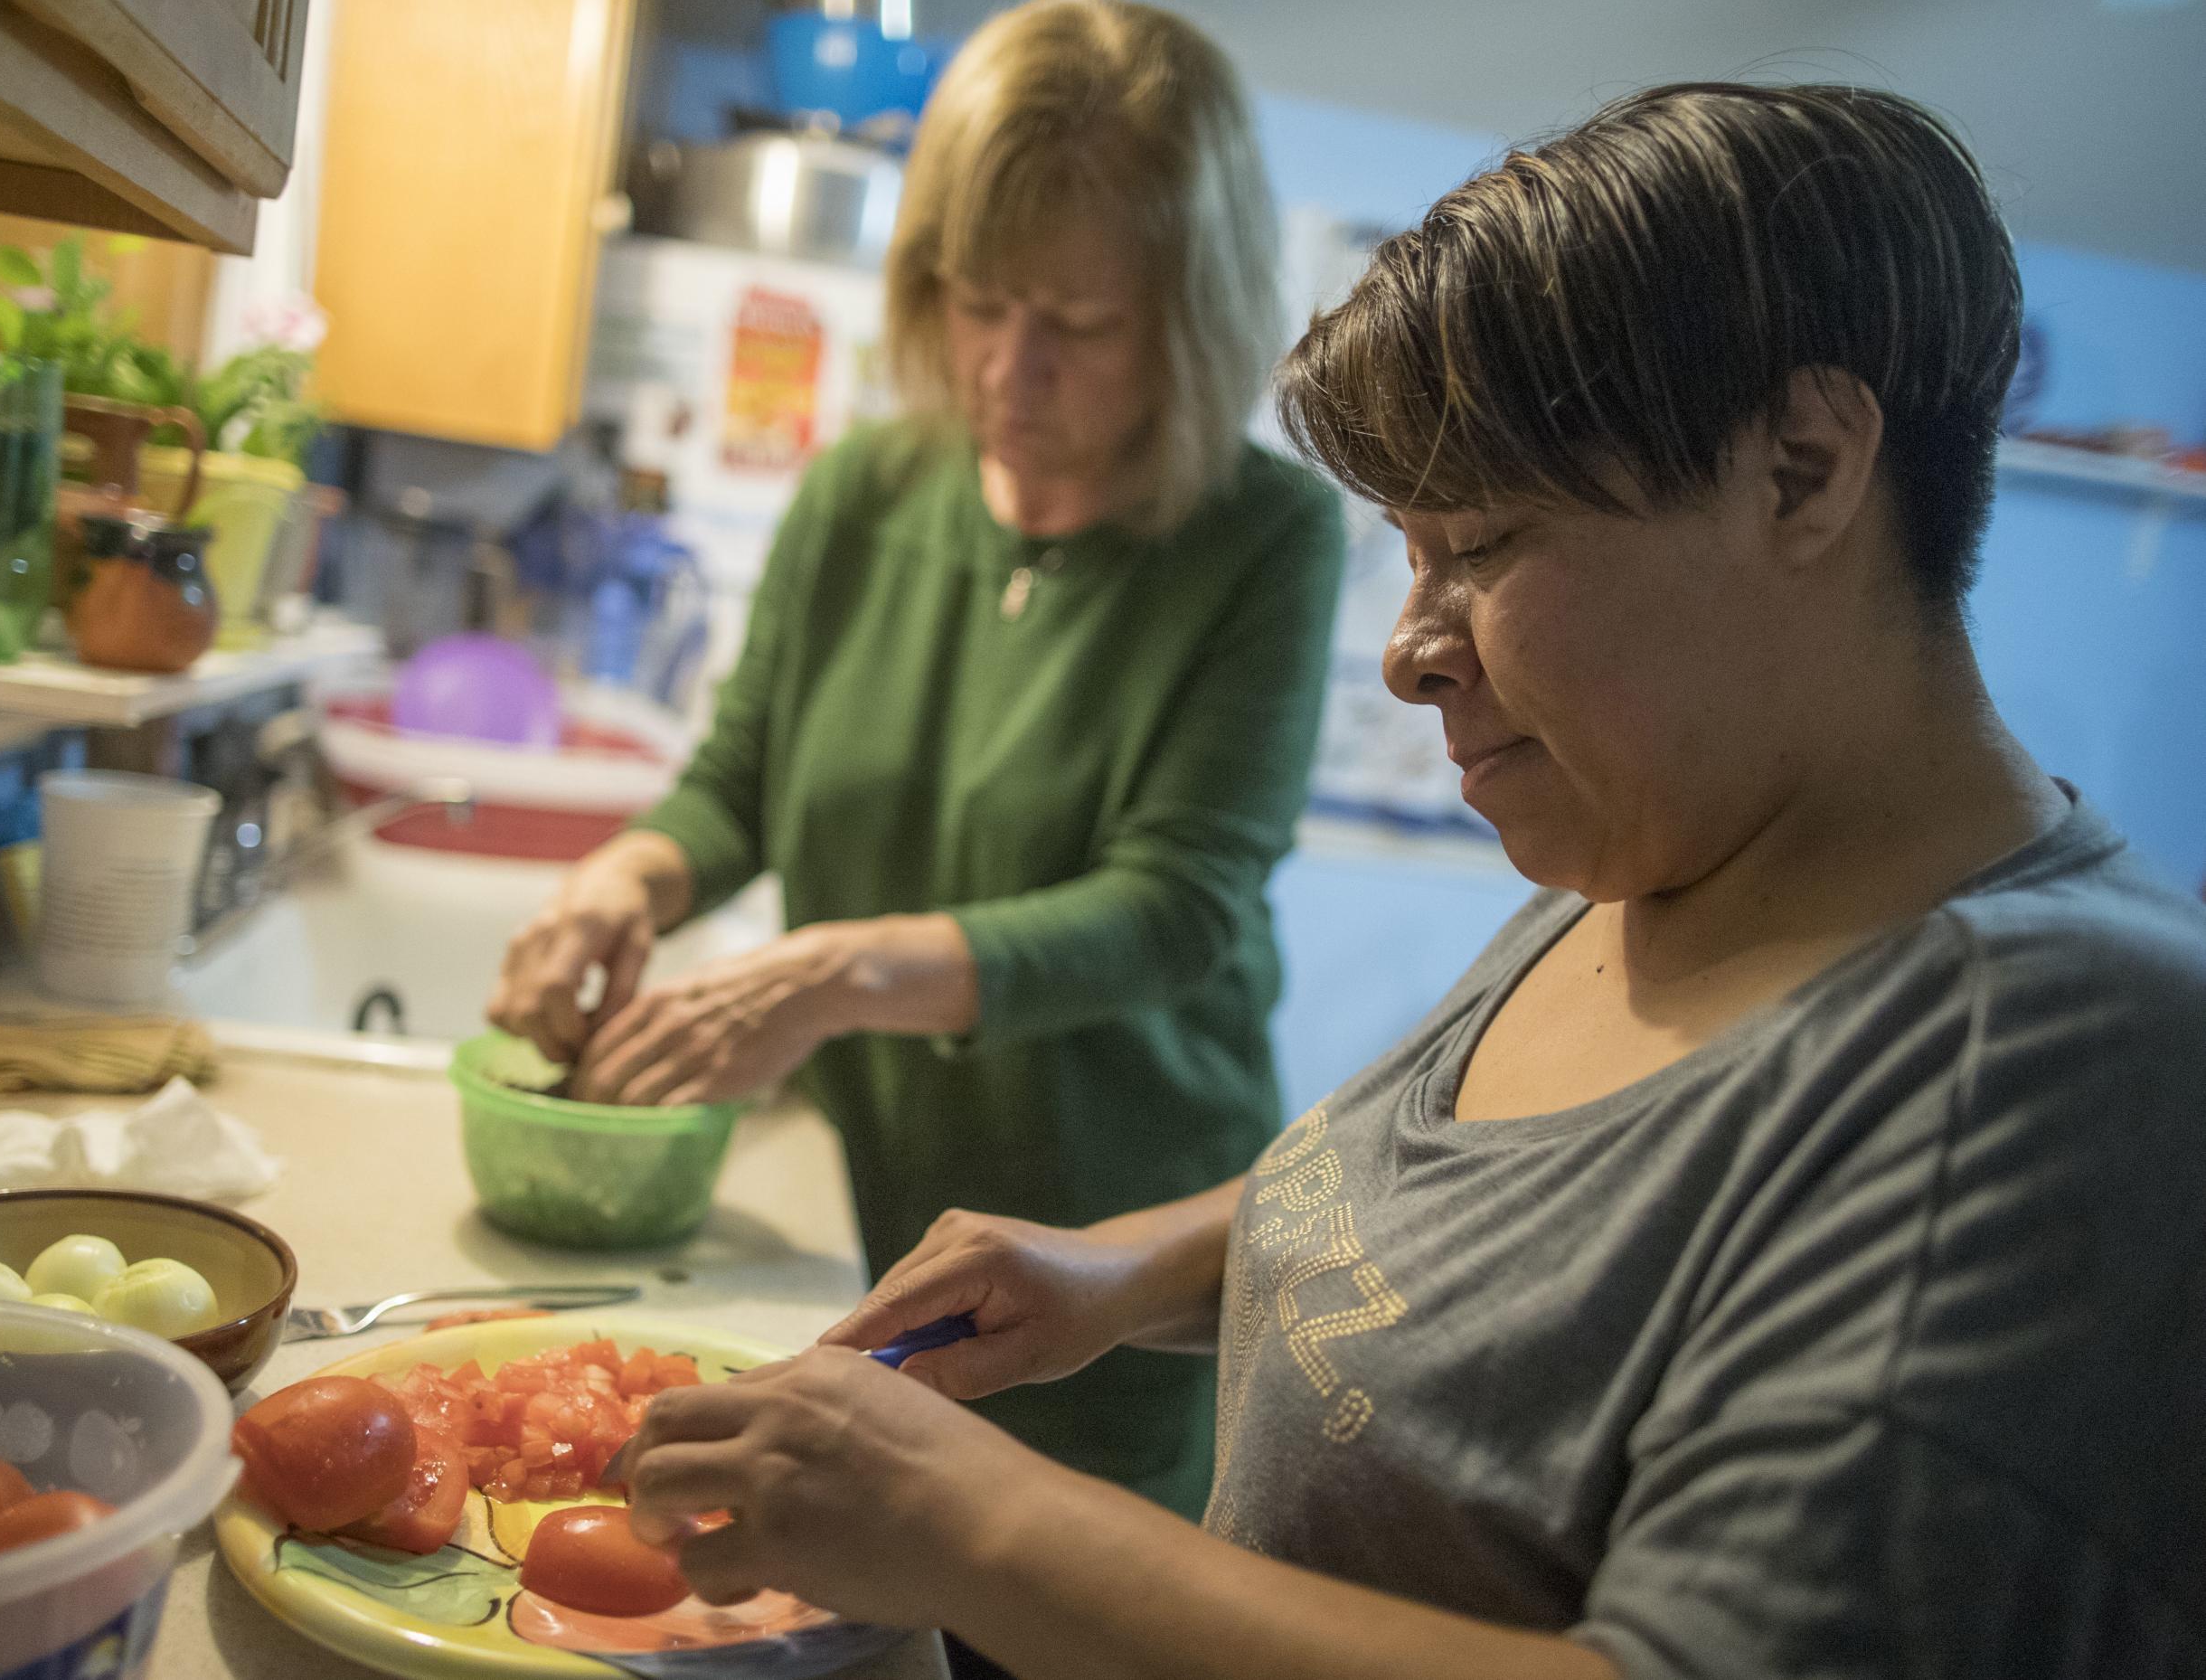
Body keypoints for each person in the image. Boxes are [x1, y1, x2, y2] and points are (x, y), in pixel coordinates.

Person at [605, 81, 2206, 1679]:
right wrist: (1118, 1273)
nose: (1407, 652)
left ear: (1800, 468)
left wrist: (969, 1525)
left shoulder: (2049, 1061)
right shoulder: (1660, 856)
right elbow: (1478, 1238)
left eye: (1486, 547)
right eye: (1412, 554)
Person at [487, 0, 1342, 1529]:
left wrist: (832, 974)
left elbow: (1178, 903)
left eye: (1079, 326)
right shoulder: (868, 487)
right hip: (868, 1221)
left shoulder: (1264, 540)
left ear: (1192, 315)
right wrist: (630, 874)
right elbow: (743, 780)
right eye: (975, 299)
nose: (1012, 368)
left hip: (1103, 1272)